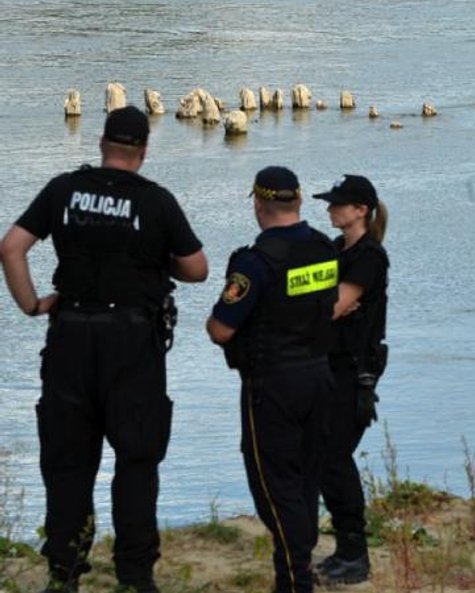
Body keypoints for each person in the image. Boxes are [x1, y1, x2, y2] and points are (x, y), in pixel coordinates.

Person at [0, 106, 208, 593]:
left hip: (70, 333)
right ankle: (135, 576)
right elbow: (196, 268)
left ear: (101, 144)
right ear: (143, 151)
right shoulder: (155, 201)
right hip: (132, 342)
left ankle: (64, 573)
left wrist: (32, 304)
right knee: (136, 460)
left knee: (68, 462)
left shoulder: (63, 190)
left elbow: (11, 248)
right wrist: (157, 263)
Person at [206, 166, 338, 593]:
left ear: (259, 205)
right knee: (305, 479)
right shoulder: (324, 249)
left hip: (272, 383)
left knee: (272, 485)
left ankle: (297, 577)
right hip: (320, 376)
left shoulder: (255, 262)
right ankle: (290, 572)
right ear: (298, 202)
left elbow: (220, 329)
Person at [310, 174, 389, 585]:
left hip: (353, 371)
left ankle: (356, 553)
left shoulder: (369, 256)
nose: (330, 209)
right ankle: (345, 549)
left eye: (339, 204)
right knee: (326, 457)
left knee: (335, 457)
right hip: (329, 366)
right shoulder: (337, 249)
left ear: (361, 210)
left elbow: (336, 306)